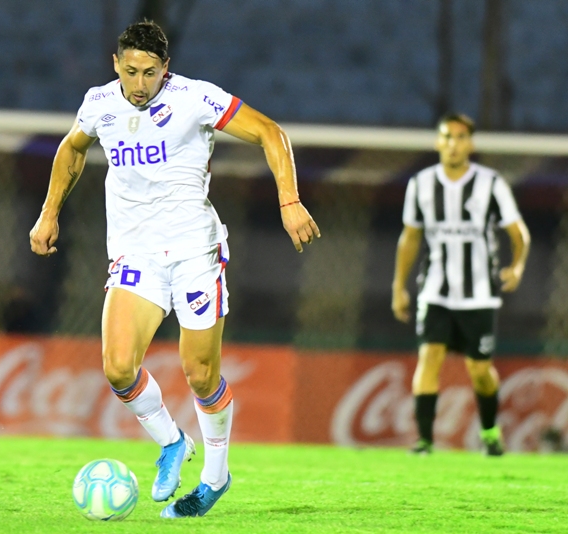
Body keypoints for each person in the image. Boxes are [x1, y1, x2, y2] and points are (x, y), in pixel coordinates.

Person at [30, 21, 320, 518]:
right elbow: (72, 148)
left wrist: (289, 200)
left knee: (200, 375)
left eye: (149, 73)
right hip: (135, 255)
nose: (139, 83)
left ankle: (215, 478)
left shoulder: (196, 99)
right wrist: (49, 212)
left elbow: (270, 132)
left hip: (194, 254)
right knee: (118, 366)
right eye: (130, 71)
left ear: (166, 68)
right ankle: (171, 441)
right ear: (116, 64)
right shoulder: (99, 103)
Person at [391, 113, 530, 456]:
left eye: (460, 137)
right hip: (435, 290)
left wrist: (517, 266)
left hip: (479, 295)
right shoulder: (421, 184)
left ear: (470, 143)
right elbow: (410, 237)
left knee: (479, 370)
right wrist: (398, 286)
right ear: (438, 142)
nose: (453, 144)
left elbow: (518, 233)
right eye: (447, 137)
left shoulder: (491, 183)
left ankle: (490, 433)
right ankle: (424, 441)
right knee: (429, 357)